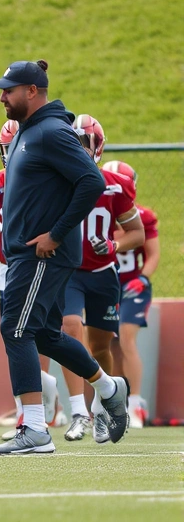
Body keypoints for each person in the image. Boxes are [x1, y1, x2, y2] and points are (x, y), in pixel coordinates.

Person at [0, 60, 129, 455]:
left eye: (8, 90)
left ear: (32, 91)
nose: (1, 97)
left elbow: (92, 180)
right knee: (46, 334)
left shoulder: (51, 132)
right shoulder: (28, 133)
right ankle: (108, 386)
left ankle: (35, 429)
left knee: (15, 329)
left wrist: (56, 233)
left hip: (41, 254)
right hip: (24, 255)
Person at [0, 121, 60, 442]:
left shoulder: (46, 181)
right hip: (8, 270)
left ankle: (45, 406)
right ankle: (32, 410)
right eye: (8, 150)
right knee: (17, 338)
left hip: (41, 265)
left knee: (37, 335)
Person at [58, 115, 144, 444]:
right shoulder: (56, 181)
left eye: (83, 143)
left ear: (97, 147)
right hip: (68, 271)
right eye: (72, 143)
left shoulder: (114, 183)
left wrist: (114, 244)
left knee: (100, 346)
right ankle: (80, 411)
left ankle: (102, 408)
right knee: (68, 326)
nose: (78, 150)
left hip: (102, 274)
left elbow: (135, 232)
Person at [103, 161, 160, 428]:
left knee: (126, 339)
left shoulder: (143, 216)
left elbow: (153, 254)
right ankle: (117, 403)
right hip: (105, 284)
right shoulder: (98, 212)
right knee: (107, 344)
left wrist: (143, 278)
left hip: (133, 285)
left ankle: (136, 404)